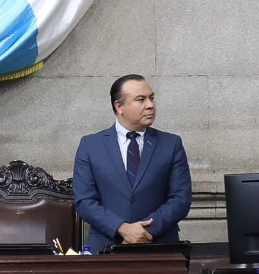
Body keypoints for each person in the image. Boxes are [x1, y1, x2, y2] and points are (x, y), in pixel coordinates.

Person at [73, 74, 192, 252]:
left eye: (151, 98)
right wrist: (122, 229)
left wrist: (144, 232)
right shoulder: (91, 145)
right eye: (141, 99)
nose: (150, 105)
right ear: (119, 106)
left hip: (160, 248)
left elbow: (181, 199)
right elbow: (84, 201)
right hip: (107, 247)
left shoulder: (171, 144)